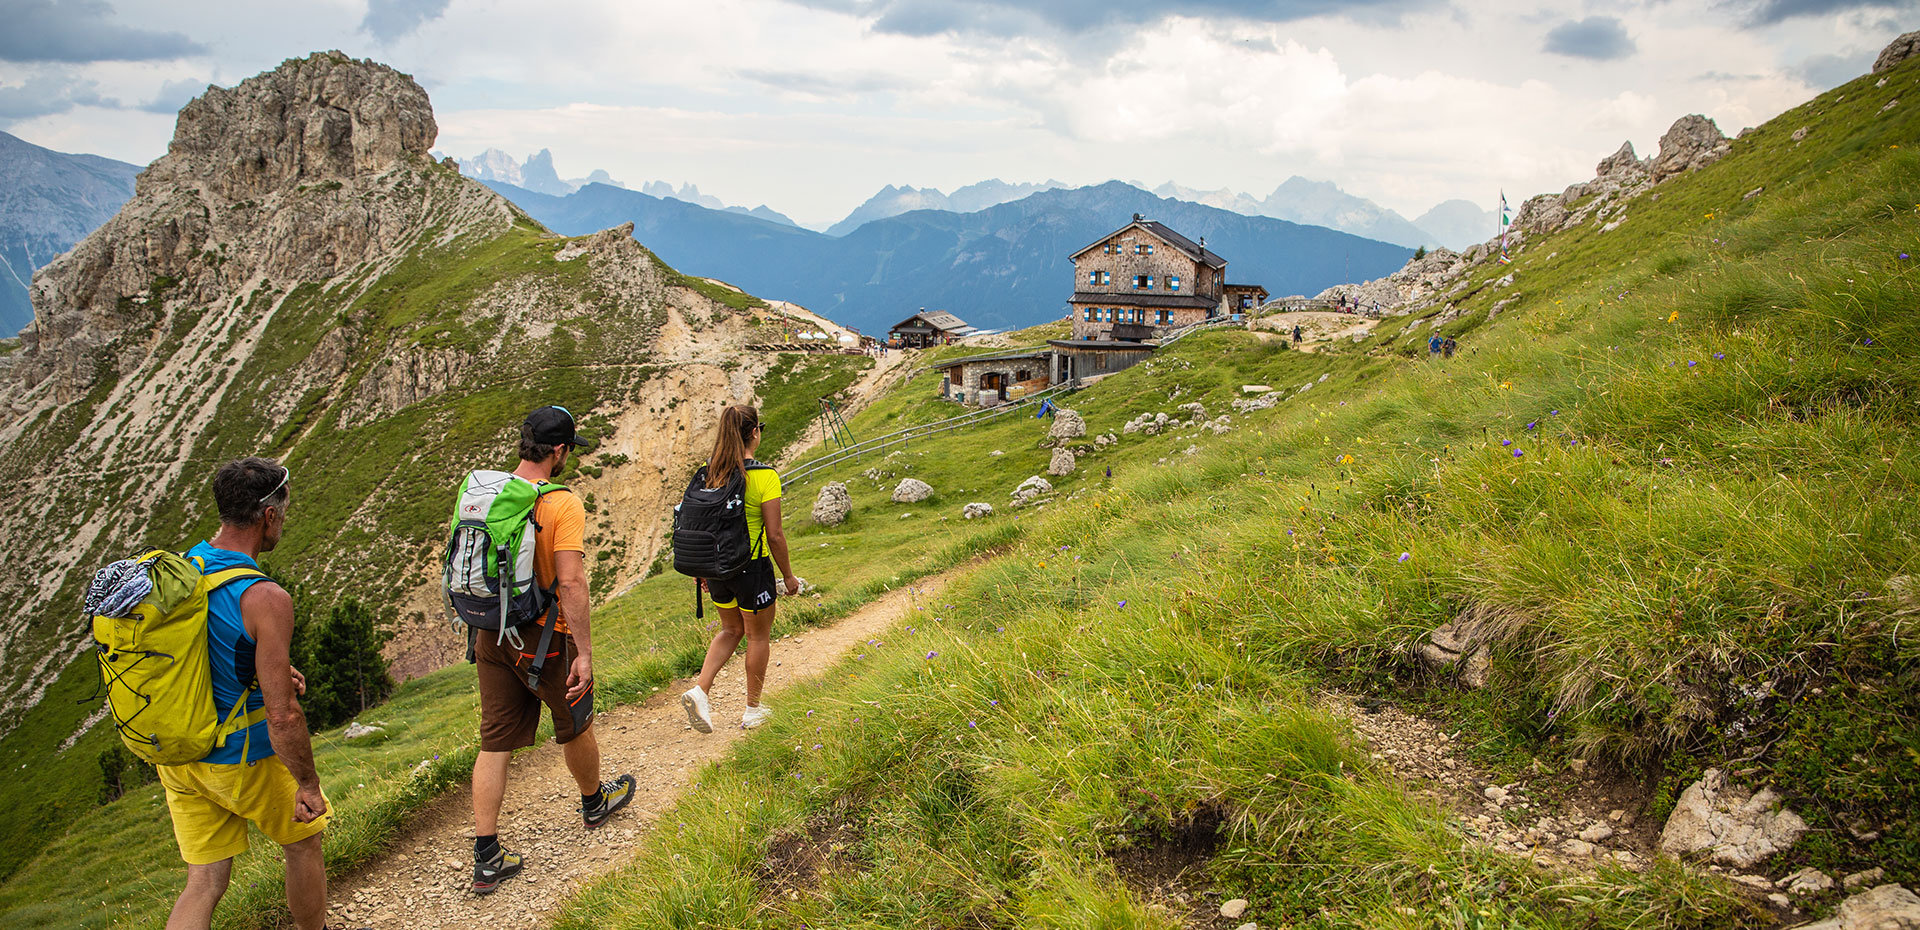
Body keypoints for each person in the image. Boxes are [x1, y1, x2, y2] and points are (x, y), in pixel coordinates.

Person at [161, 457, 340, 930]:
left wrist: (274, 669)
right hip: (243, 757)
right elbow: (283, 717)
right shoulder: (265, 598)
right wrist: (307, 784)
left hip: (180, 756)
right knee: (303, 842)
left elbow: (204, 651)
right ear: (269, 516)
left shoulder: (183, 569)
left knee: (204, 881)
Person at [470, 406, 635, 894]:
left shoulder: (491, 492)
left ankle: (487, 855)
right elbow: (571, 581)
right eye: (569, 450)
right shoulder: (562, 503)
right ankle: (593, 802)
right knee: (576, 722)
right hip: (544, 638)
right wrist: (582, 651)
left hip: (492, 634)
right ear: (559, 451)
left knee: (494, 740)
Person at [682, 405, 801, 733]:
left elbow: (697, 522)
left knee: (730, 630)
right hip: (752, 567)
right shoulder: (764, 476)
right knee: (757, 635)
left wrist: (702, 567)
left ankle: (700, 691)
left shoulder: (709, 471)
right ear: (754, 433)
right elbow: (774, 535)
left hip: (716, 569)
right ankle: (753, 709)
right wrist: (788, 576)